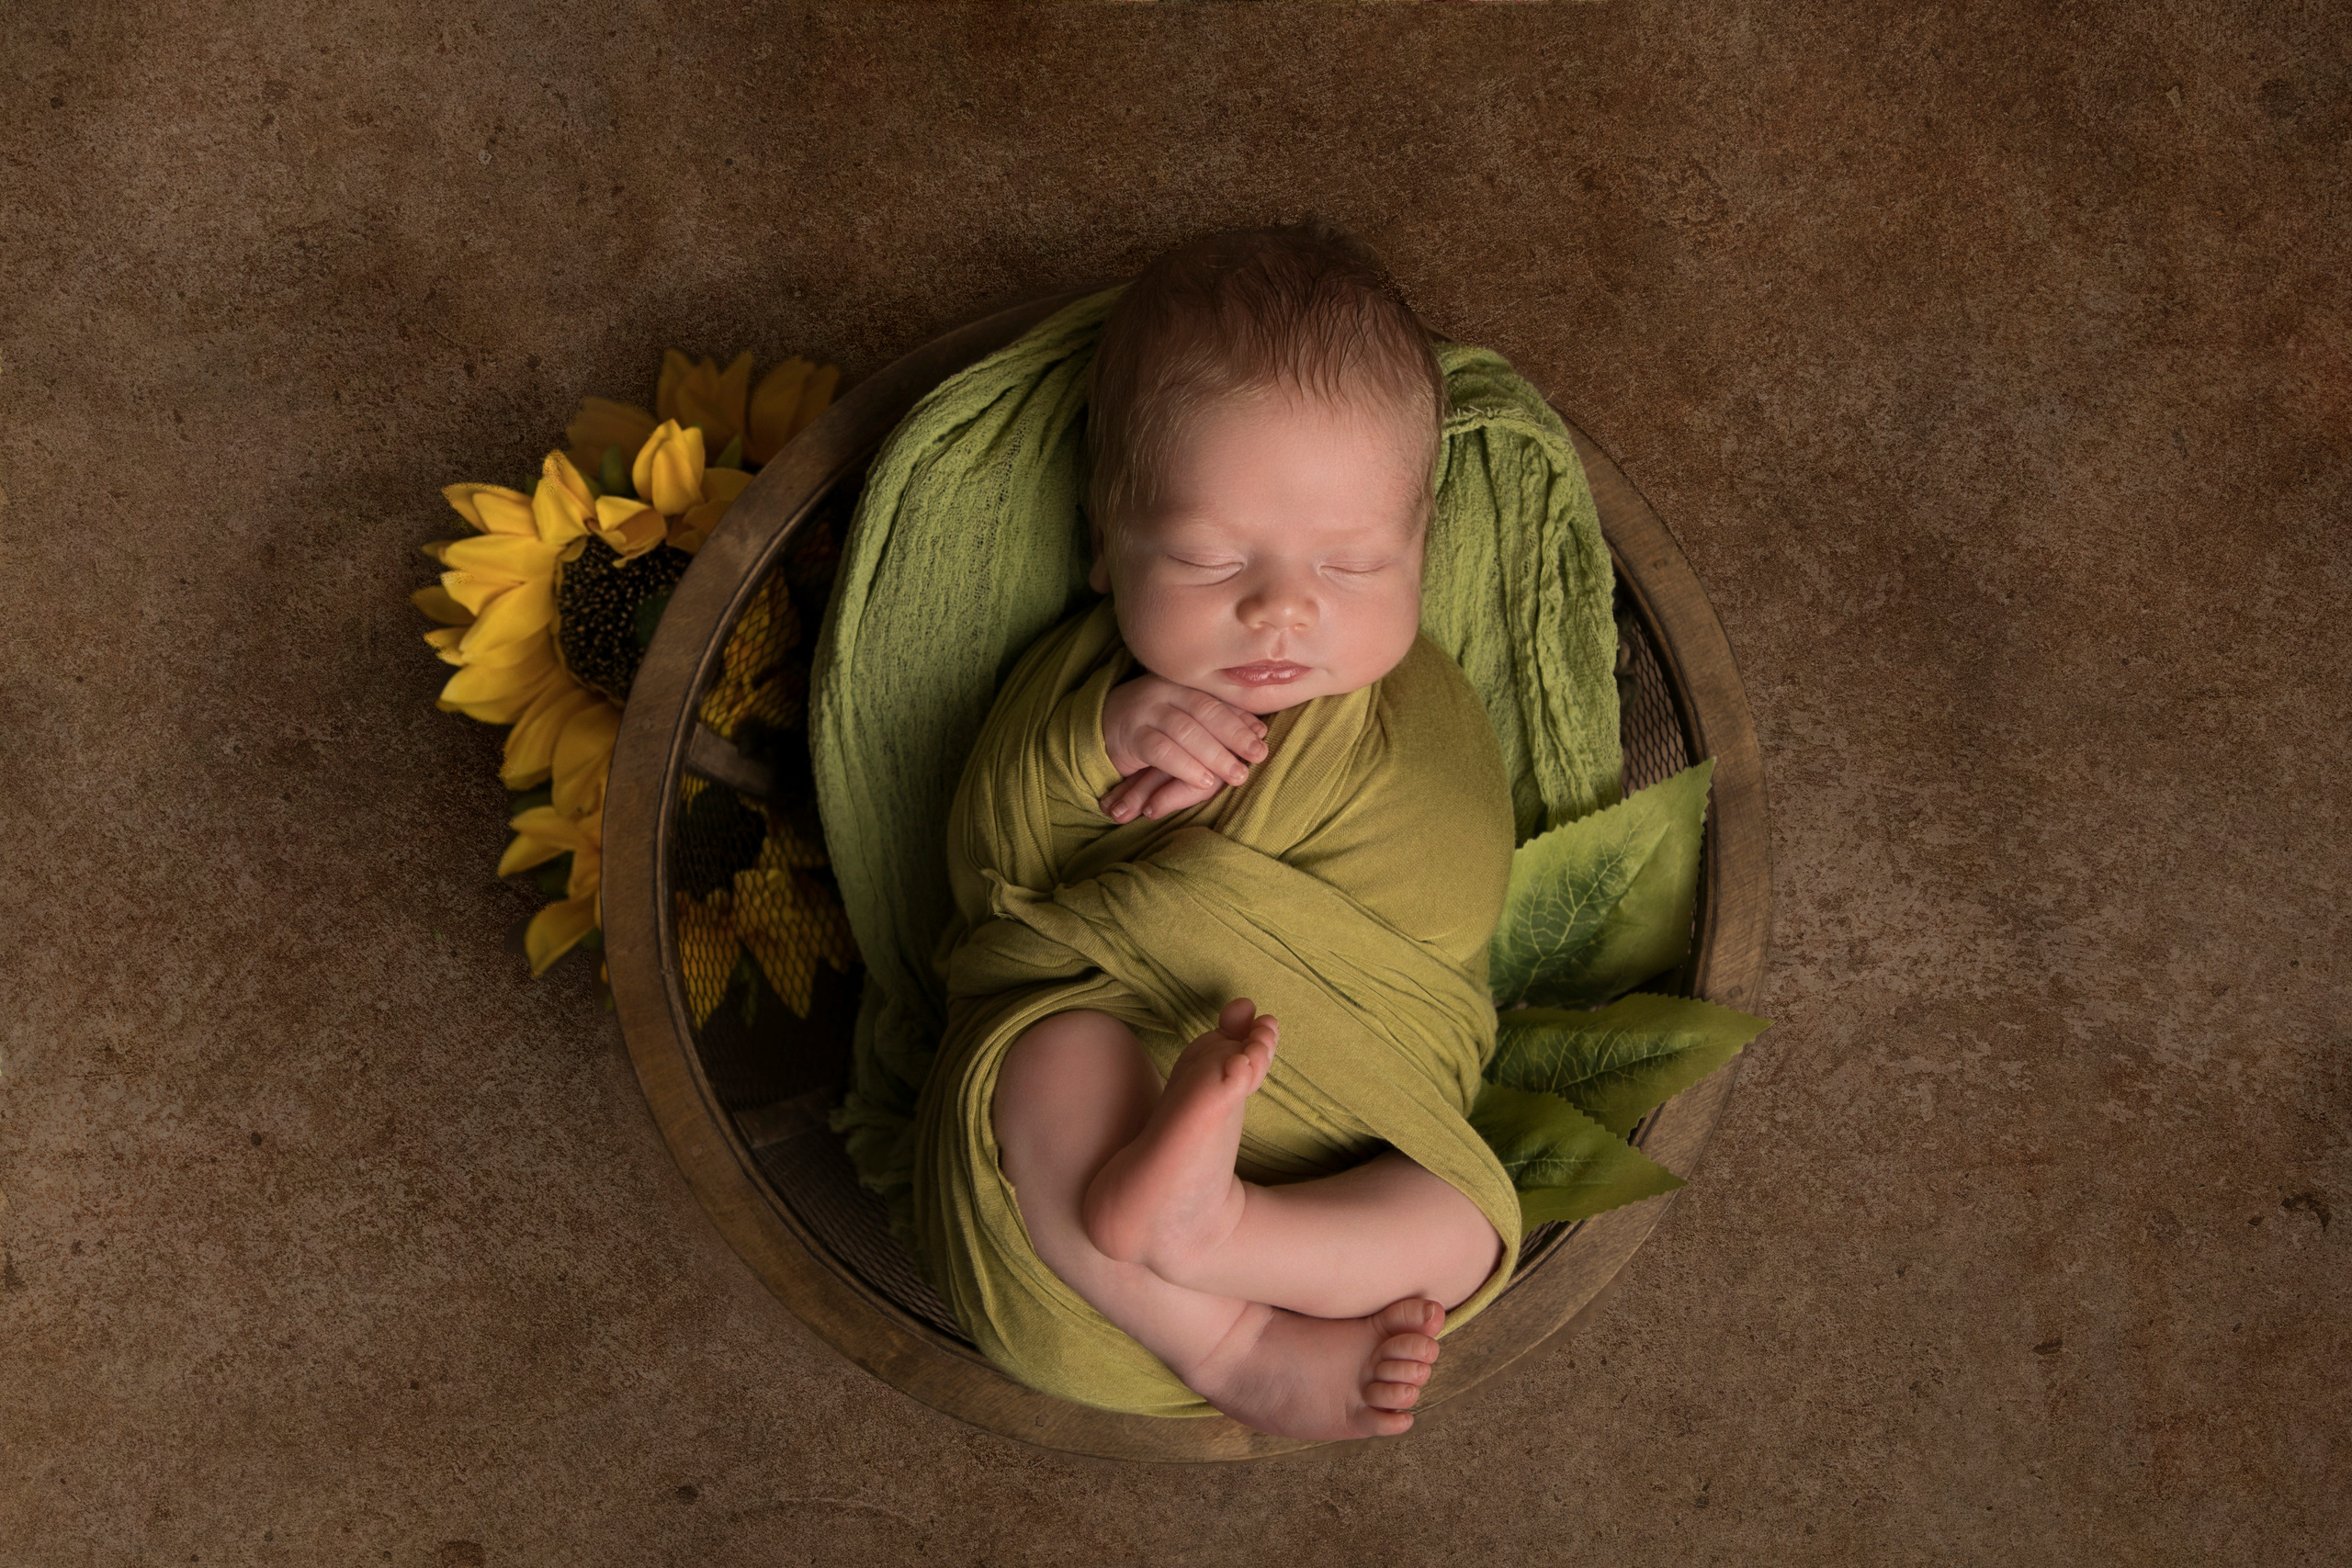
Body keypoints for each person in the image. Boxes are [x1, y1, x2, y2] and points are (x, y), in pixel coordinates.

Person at [957, 221, 1517, 1440]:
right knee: (1044, 1061)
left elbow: (1455, 913)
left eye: (1352, 567)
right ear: (1105, 541)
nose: (1281, 609)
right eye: (1210, 561)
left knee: (1467, 1229)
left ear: (1420, 551)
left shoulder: (1427, 714)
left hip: (1350, 1116)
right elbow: (992, 872)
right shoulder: (1086, 695)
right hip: (1129, 1091)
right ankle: (1229, 1342)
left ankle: (1224, 1239)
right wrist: (1098, 741)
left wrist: (1240, 887)